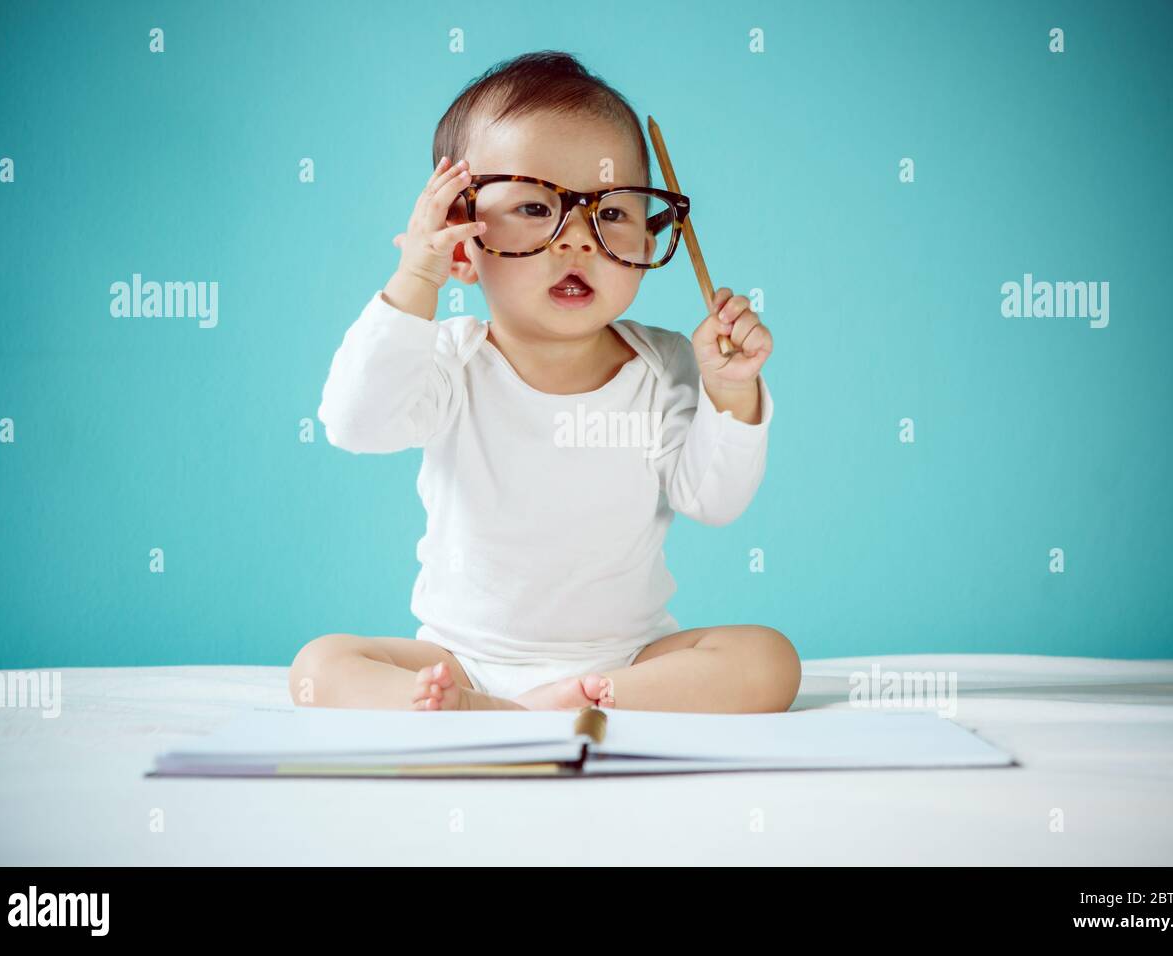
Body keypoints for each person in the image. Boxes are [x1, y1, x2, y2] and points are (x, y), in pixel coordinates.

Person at [290, 51, 799, 713]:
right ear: (462, 243)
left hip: (626, 662)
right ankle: (487, 707)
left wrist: (731, 391)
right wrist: (416, 278)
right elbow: (356, 423)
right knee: (321, 664)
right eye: (535, 207)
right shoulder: (447, 360)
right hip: (463, 663)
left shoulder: (668, 364)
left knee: (768, 661)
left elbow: (715, 500)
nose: (578, 239)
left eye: (612, 213)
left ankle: (568, 704)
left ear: (648, 242)